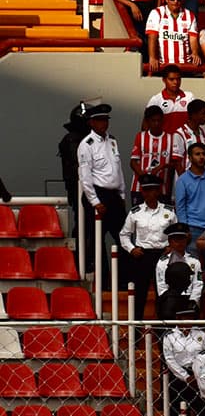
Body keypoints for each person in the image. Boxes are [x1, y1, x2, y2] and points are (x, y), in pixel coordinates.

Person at [77, 103, 126, 282]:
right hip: (98, 195)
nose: (104, 123)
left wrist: (121, 194)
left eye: (105, 120)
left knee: (124, 237)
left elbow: (118, 169)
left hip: (113, 195)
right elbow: (85, 176)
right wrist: (95, 201)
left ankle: (123, 278)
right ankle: (103, 281)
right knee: (97, 240)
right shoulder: (86, 145)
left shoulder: (112, 141)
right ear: (91, 122)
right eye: (99, 120)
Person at [119, 174, 175, 319]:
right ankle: (136, 335)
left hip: (162, 256)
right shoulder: (135, 212)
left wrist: (171, 247)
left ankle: (163, 334)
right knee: (140, 295)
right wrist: (132, 249)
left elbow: (176, 234)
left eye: (153, 190)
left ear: (158, 191)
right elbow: (124, 234)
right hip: (142, 256)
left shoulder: (168, 211)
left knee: (163, 294)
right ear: (142, 192)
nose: (150, 193)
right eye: (146, 190)